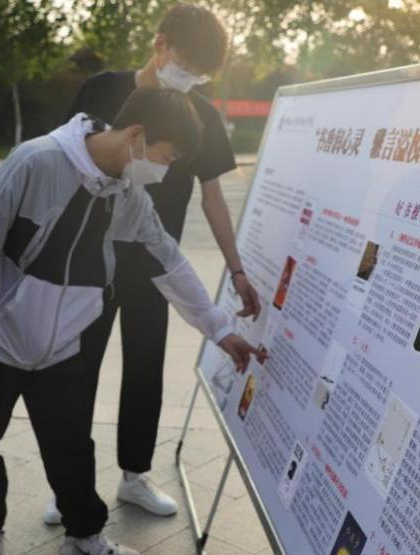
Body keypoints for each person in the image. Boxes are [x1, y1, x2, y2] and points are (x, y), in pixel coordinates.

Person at [0, 88, 257, 555]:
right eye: (166, 157)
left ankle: (83, 536)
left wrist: (220, 328)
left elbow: (169, 261)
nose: (165, 170)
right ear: (137, 135)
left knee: (72, 446)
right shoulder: (36, 161)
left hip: (63, 348)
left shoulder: (128, 195)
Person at [50, 3, 262, 524]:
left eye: (200, 75)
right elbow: (62, 164)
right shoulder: (101, 90)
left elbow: (213, 196)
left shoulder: (201, 115)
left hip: (153, 263)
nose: (189, 79)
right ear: (160, 44)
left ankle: (134, 476)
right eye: (185, 65)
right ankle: (70, 485)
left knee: (145, 367)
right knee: (78, 369)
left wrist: (237, 270)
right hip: (90, 260)